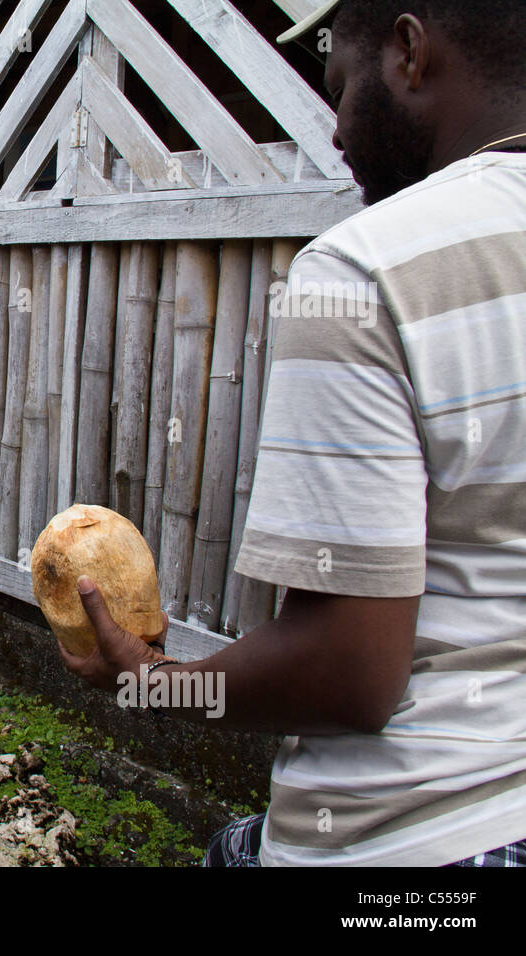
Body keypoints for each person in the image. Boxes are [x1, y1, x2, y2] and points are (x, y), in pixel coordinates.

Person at [60, 0, 526, 866]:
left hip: (425, 837)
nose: (335, 128)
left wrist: (153, 684)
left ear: (410, 52)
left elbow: (349, 674)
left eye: (340, 88)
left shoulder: (367, 269)